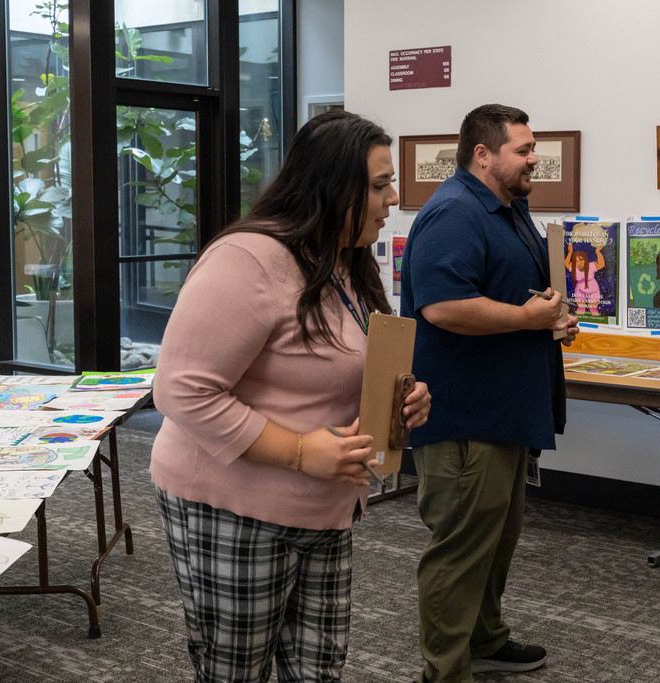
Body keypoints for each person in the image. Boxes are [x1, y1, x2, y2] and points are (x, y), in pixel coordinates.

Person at [149, 110, 431, 682]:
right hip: (233, 508)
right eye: (380, 185)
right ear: (334, 188)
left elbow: (335, 367)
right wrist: (302, 452)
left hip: (325, 508)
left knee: (319, 670)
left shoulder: (343, 262)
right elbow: (181, 390)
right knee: (236, 670)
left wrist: (401, 398)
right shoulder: (248, 260)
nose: (394, 198)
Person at [400, 103, 579, 682]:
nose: (535, 159)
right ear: (483, 154)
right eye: (523, 150)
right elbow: (442, 306)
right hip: (465, 418)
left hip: (504, 411)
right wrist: (527, 319)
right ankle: (445, 671)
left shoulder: (507, 209)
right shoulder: (454, 212)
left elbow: (516, 297)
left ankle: (483, 640)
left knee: (495, 542)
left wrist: (550, 319)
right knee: (460, 549)